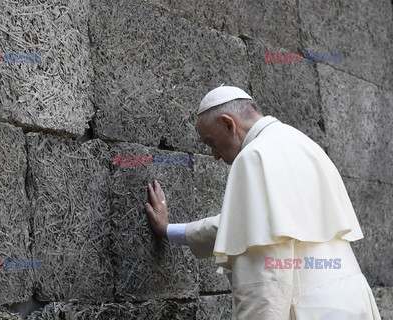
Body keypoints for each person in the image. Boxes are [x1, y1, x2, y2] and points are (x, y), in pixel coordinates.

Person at [144, 86, 381, 319]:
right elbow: (247, 228)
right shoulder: (303, 143)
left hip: (308, 308)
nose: (215, 155)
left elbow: (266, 271)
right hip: (353, 301)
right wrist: (168, 230)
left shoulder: (253, 155)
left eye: (211, 142)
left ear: (228, 124)